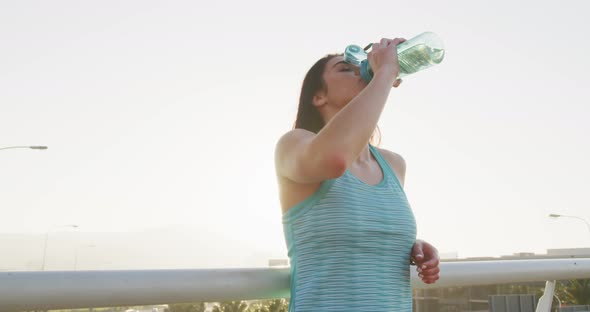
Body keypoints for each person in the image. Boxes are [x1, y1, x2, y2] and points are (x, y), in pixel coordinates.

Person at [274, 37, 441, 311]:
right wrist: (386, 72)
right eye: (344, 68)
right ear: (318, 96)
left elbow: (358, 234)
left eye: (360, 67)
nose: (359, 71)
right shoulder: (292, 145)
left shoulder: (394, 164)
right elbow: (335, 159)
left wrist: (411, 247)